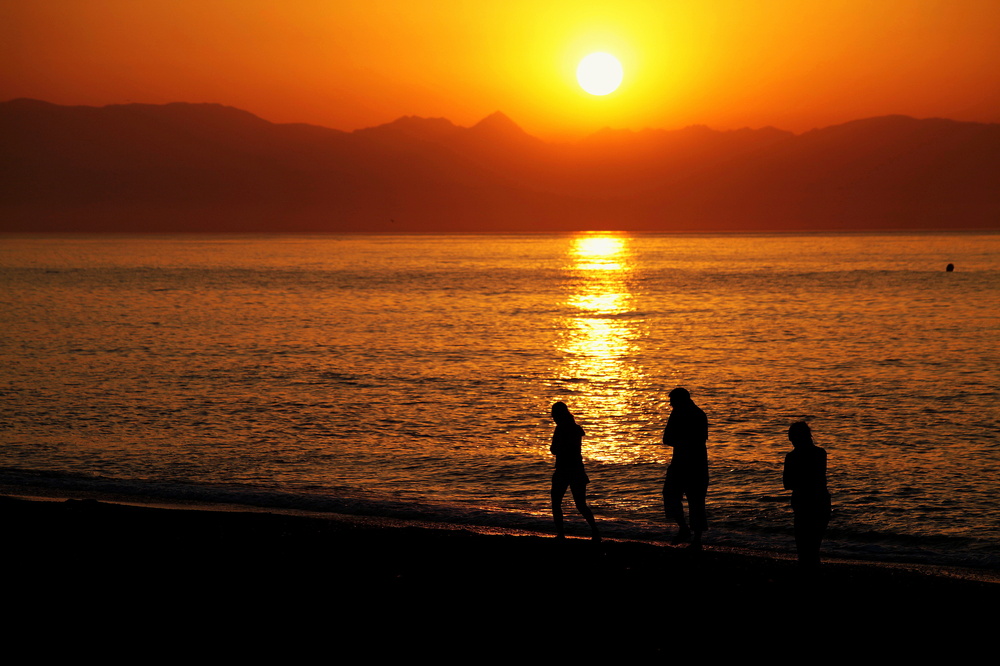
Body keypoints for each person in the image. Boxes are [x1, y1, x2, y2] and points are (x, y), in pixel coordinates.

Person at [662, 387, 709, 547]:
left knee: (693, 500)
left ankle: (693, 536)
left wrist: (681, 441)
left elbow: (669, 438)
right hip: (689, 463)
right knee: (677, 496)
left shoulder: (693, 414)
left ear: (680, 400)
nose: (670, 405)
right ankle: (688, 532)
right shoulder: (693, 414)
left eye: (672, 402)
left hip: (690, 463)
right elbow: (667, 438)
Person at [783, 421, 832, 566]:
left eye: (792, 438)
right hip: (820, 502)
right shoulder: (820, 453)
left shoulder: (792, 457)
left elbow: (787, 484)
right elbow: (819, 479)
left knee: (804, 548)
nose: (791, 442)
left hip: (804, 503)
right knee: (813, 547)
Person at [549, 402, 600, 541]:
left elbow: (554, 449)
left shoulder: (560, 429)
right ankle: (595, 531)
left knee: (557, 502)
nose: (553, 417)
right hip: (577, 469)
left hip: (564, 470)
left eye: (554, 414)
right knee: (581, 504)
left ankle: (561, 534)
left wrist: (559, 448)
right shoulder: (575, 428)